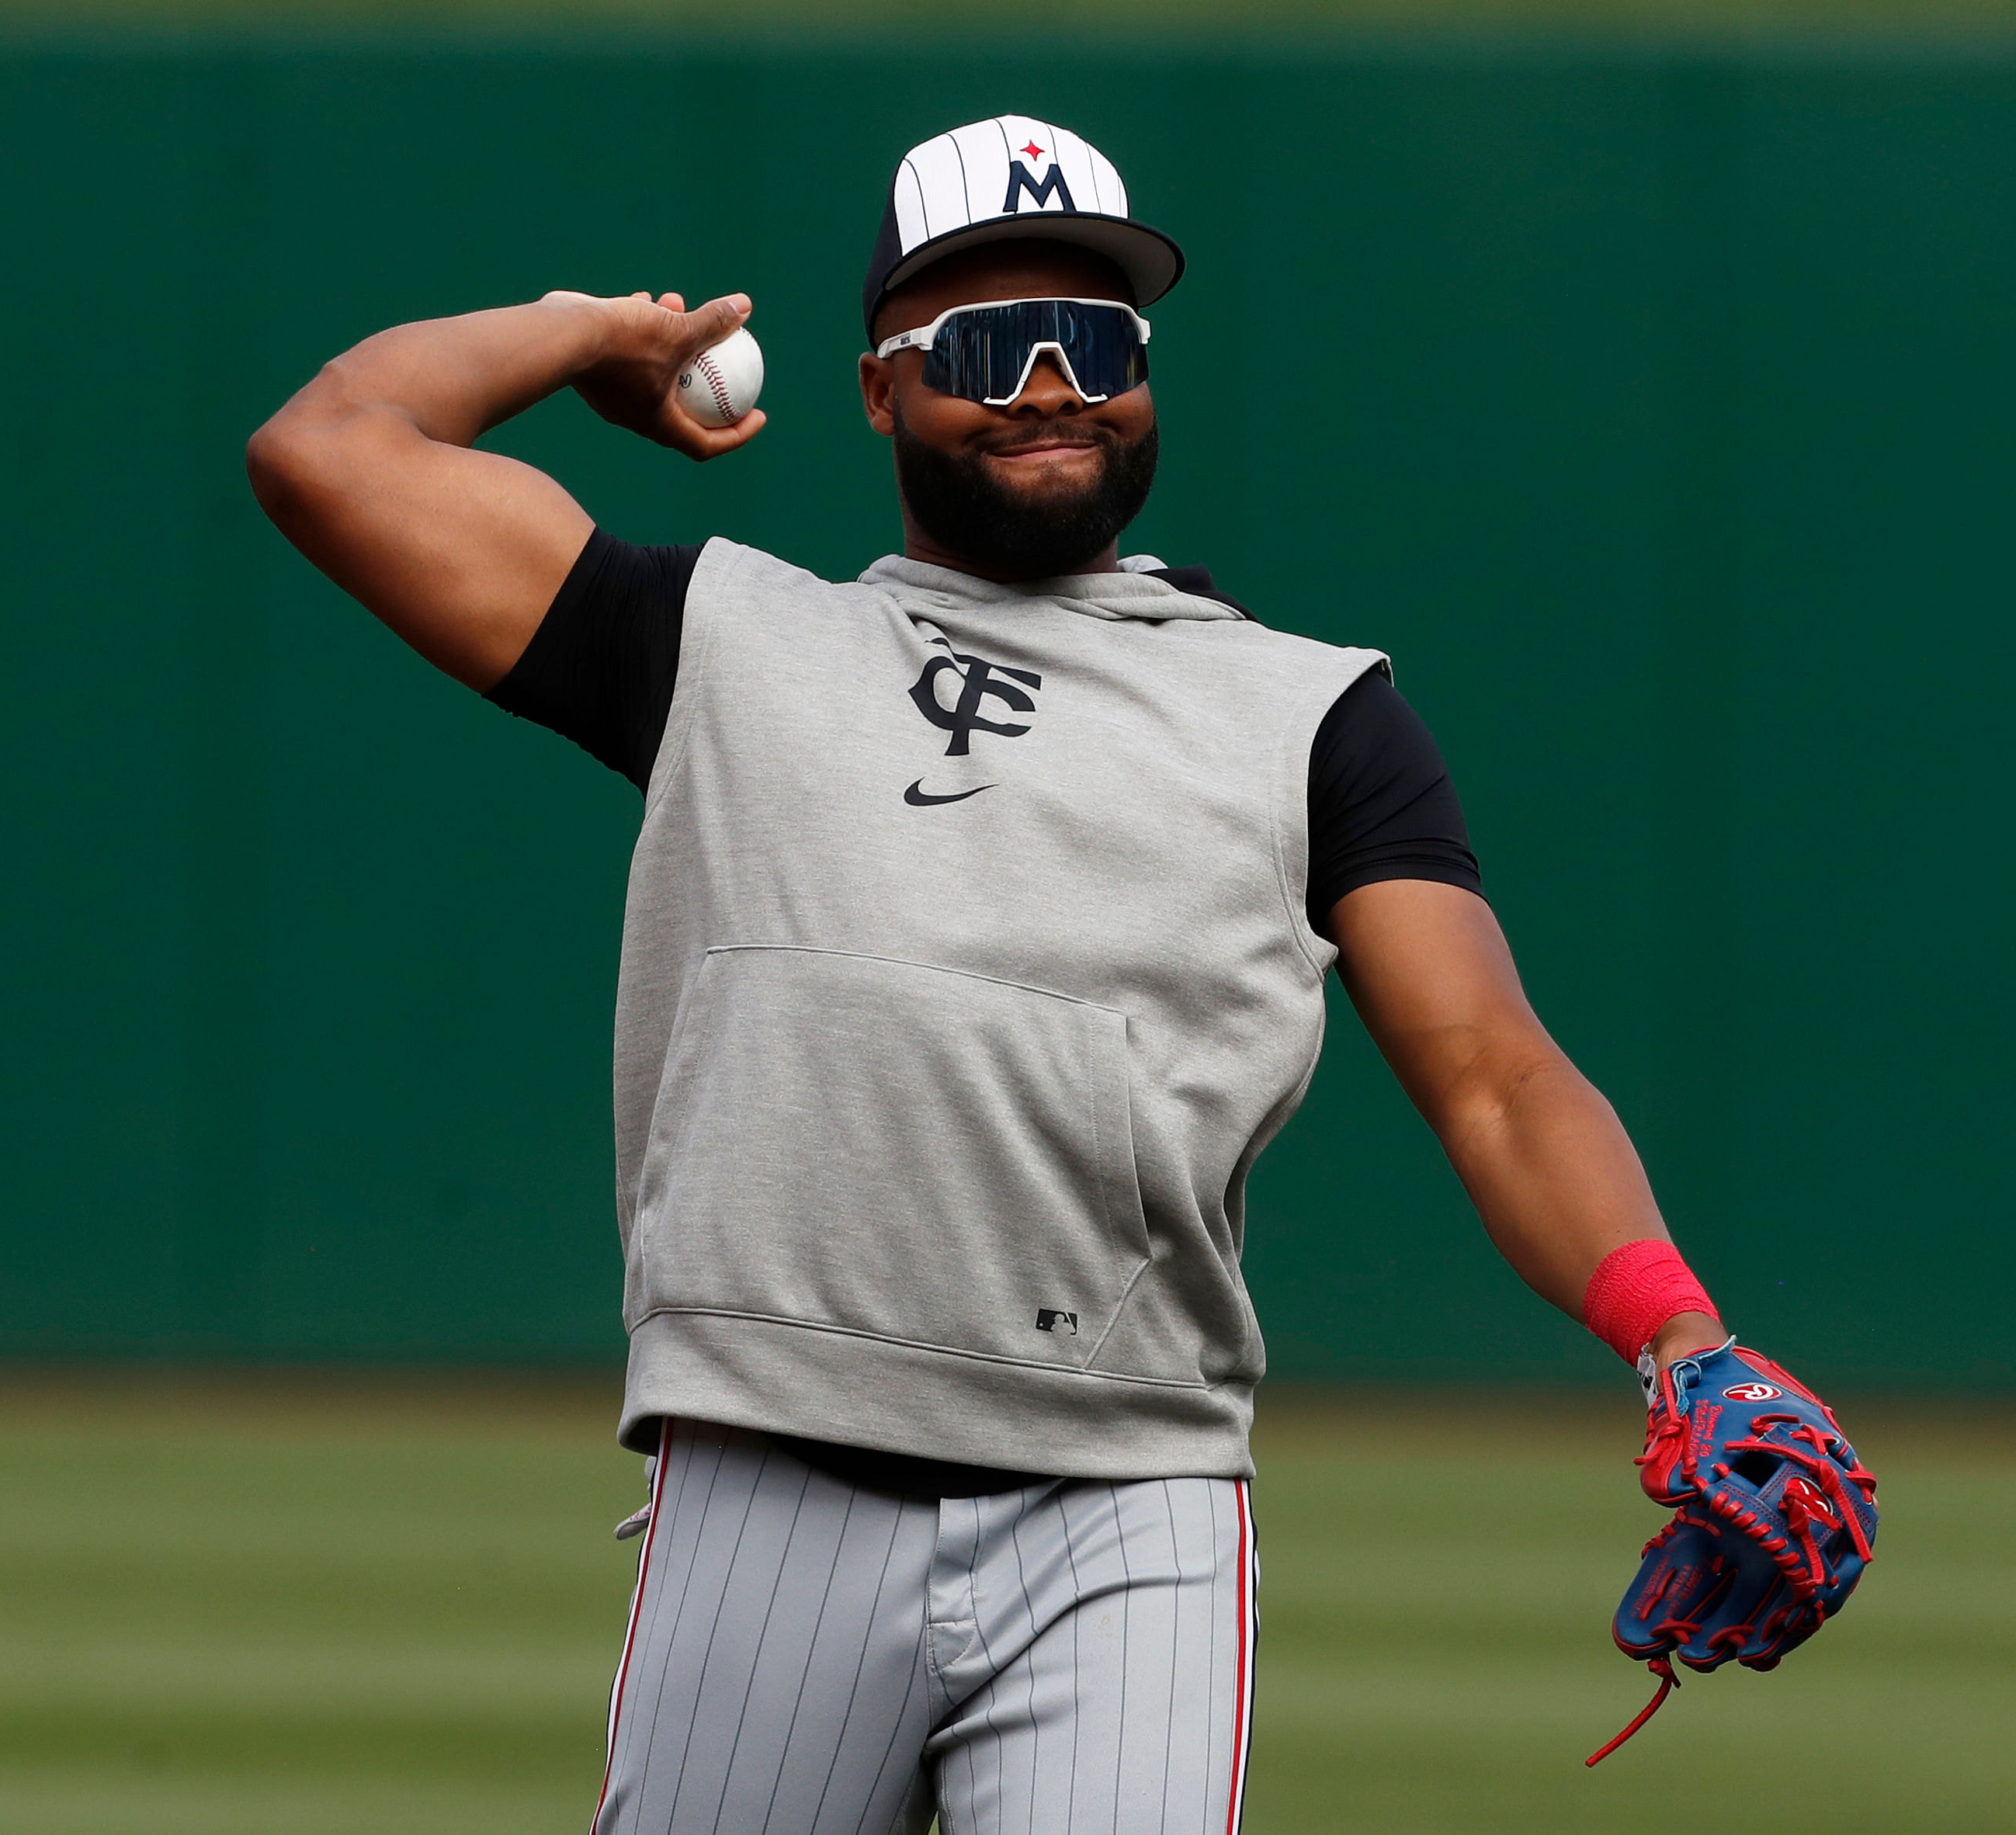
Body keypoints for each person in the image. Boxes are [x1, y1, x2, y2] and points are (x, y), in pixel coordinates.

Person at [248, 114, 1743, 1835]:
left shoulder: (1317, 717)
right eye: (979, 343)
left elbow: (1494, 1073)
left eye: (1096, 339)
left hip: (1131, 1501)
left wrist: (1678, 1342)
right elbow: (330, 448)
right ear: (878, 390)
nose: (1048, 381)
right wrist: (595, 331)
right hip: (774, 1472)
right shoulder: (724, 646)